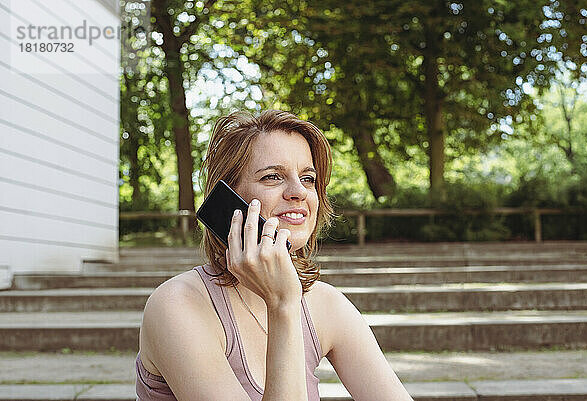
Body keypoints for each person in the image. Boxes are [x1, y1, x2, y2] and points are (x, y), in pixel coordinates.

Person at [135, 109, 414, 401]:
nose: (299, 192)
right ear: (228, 197)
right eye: (272, 177)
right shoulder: (176, 305)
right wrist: (282, 304)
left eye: (308, 178)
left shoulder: (326, 304)